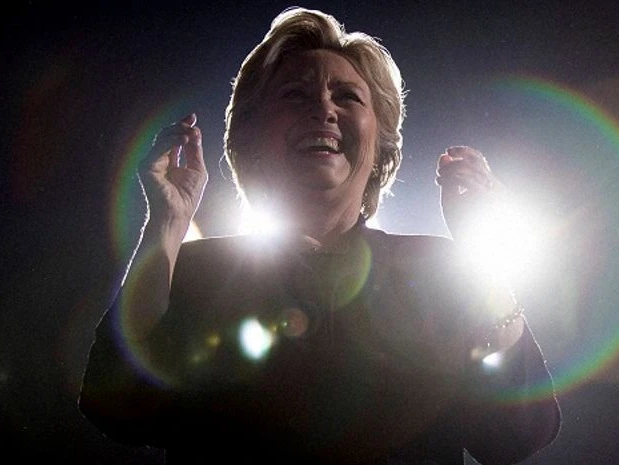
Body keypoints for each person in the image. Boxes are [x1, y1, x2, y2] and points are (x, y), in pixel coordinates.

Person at [79, 7, 560, 465]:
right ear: (250, 140)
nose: (324, 110)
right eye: (295, 95)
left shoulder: (439, 271)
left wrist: (481, 260)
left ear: (380, 143)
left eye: (348, 96)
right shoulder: (197, 272)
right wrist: (166, 224)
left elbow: (516, 434)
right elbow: (116, 408)